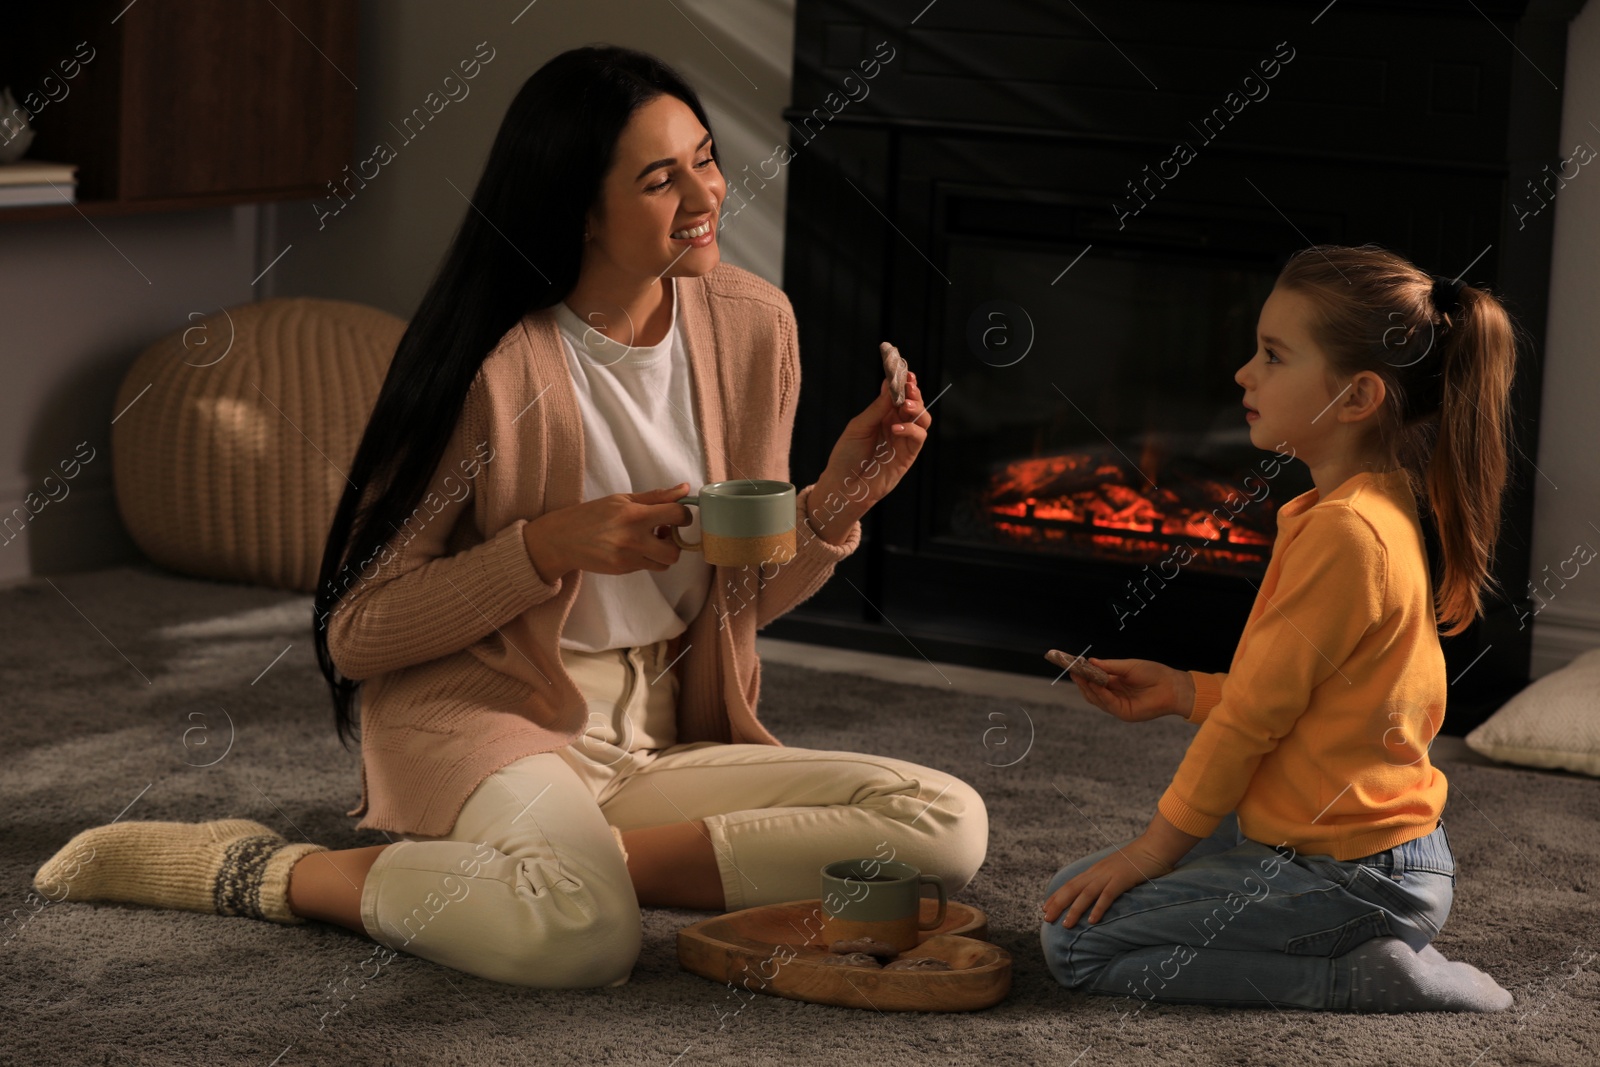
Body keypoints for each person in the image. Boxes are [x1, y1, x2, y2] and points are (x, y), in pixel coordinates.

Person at [33, 46, 986, 988]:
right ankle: (281, 872)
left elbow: (740, 598)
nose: (705, 198)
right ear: (576, 210)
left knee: (945, 823)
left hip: (659, 735)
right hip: (492, 714)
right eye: (661, 179)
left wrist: (841, 498)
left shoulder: (752, 325)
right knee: (583, 942)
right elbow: (359, 632)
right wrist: (542, 548)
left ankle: (570, 864)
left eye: (705, 157)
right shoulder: (490, 368)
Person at [1039, 244, 1519, 1014]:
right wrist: (1182, 690)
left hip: (1356, 876)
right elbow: (1308, 697)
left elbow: (1254, 722)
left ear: (1358, 395)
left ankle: (1358, 975)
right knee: (1070, 896)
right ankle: (1347, 937)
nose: (1244, 373)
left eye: (1272, 355)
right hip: (1357, 850)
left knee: (1076, 941)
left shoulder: (1348, 534)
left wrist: (1150, 851)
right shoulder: (1364, 506)